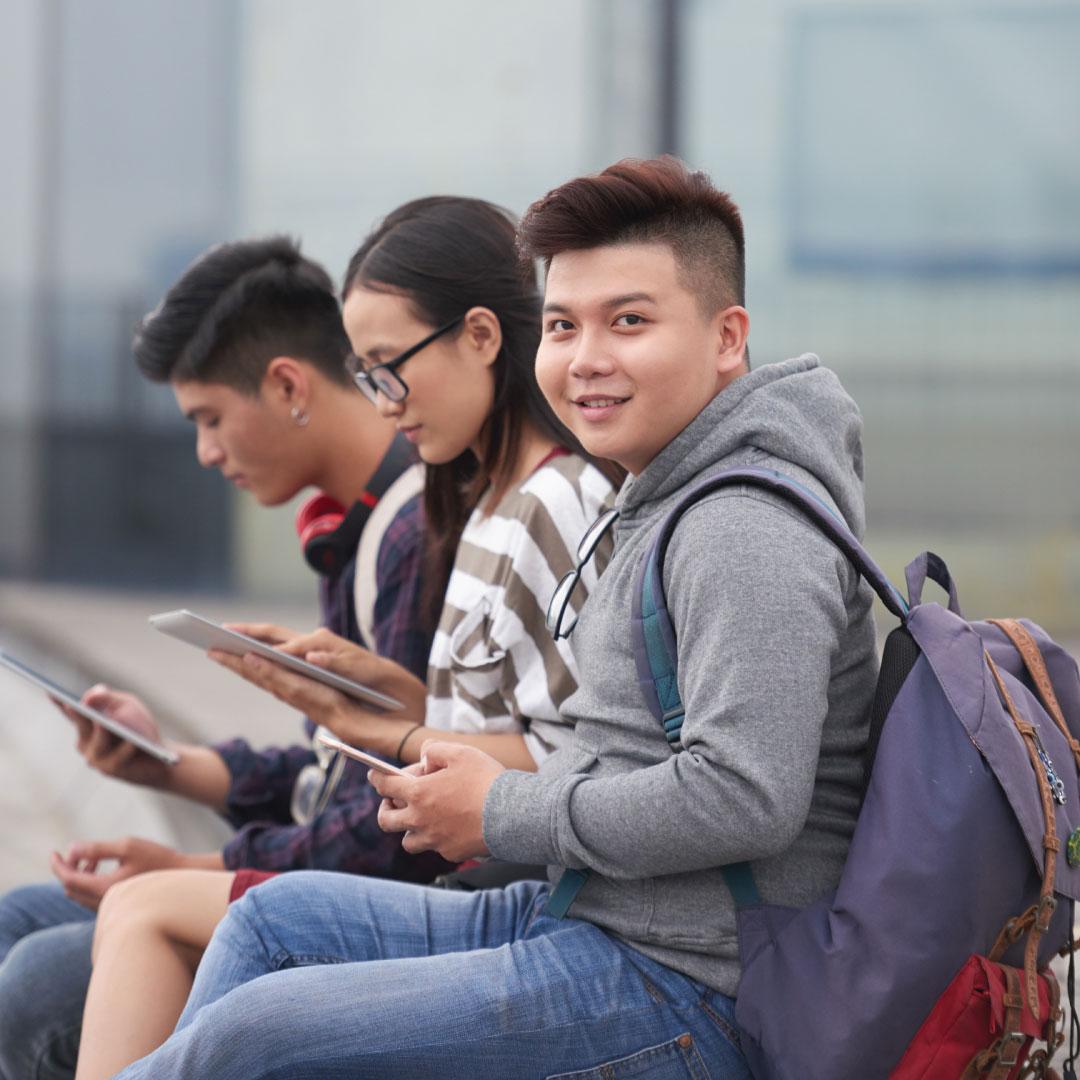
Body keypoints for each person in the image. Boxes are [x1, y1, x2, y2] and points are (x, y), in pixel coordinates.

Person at [111, 156, 879, 1080]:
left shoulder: (742, 523)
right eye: (562, 324)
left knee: (255, 1037)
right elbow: (612, 747)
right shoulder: (659, 495)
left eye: (629, 321)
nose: (586, 356)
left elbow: (743, 797)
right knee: (271, 924)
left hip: (693, 988)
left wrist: (500, 809)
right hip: (593, 916)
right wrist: (431, 736)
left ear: (727, 337)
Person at [77, 195, 620, 1079]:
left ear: (481, 338)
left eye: (385, 369)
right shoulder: (482, 504)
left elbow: (577, 761)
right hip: (484, 883)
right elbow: (516, 725)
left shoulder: (554, 505)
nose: (382, 403)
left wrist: (397, 732)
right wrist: (384, 706)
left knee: (143, 931)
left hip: (517, 898)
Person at [0, 236, 438, 1080]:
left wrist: (190, 866)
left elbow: (391, 829)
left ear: (285, 384)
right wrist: (168, 764)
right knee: (22, 918)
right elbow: (332, 769)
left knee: (33, 984)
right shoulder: (355, 530)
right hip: (321, 877)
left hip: (364, 907)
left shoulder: (412, 533)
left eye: (208, 418)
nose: (205, 452)